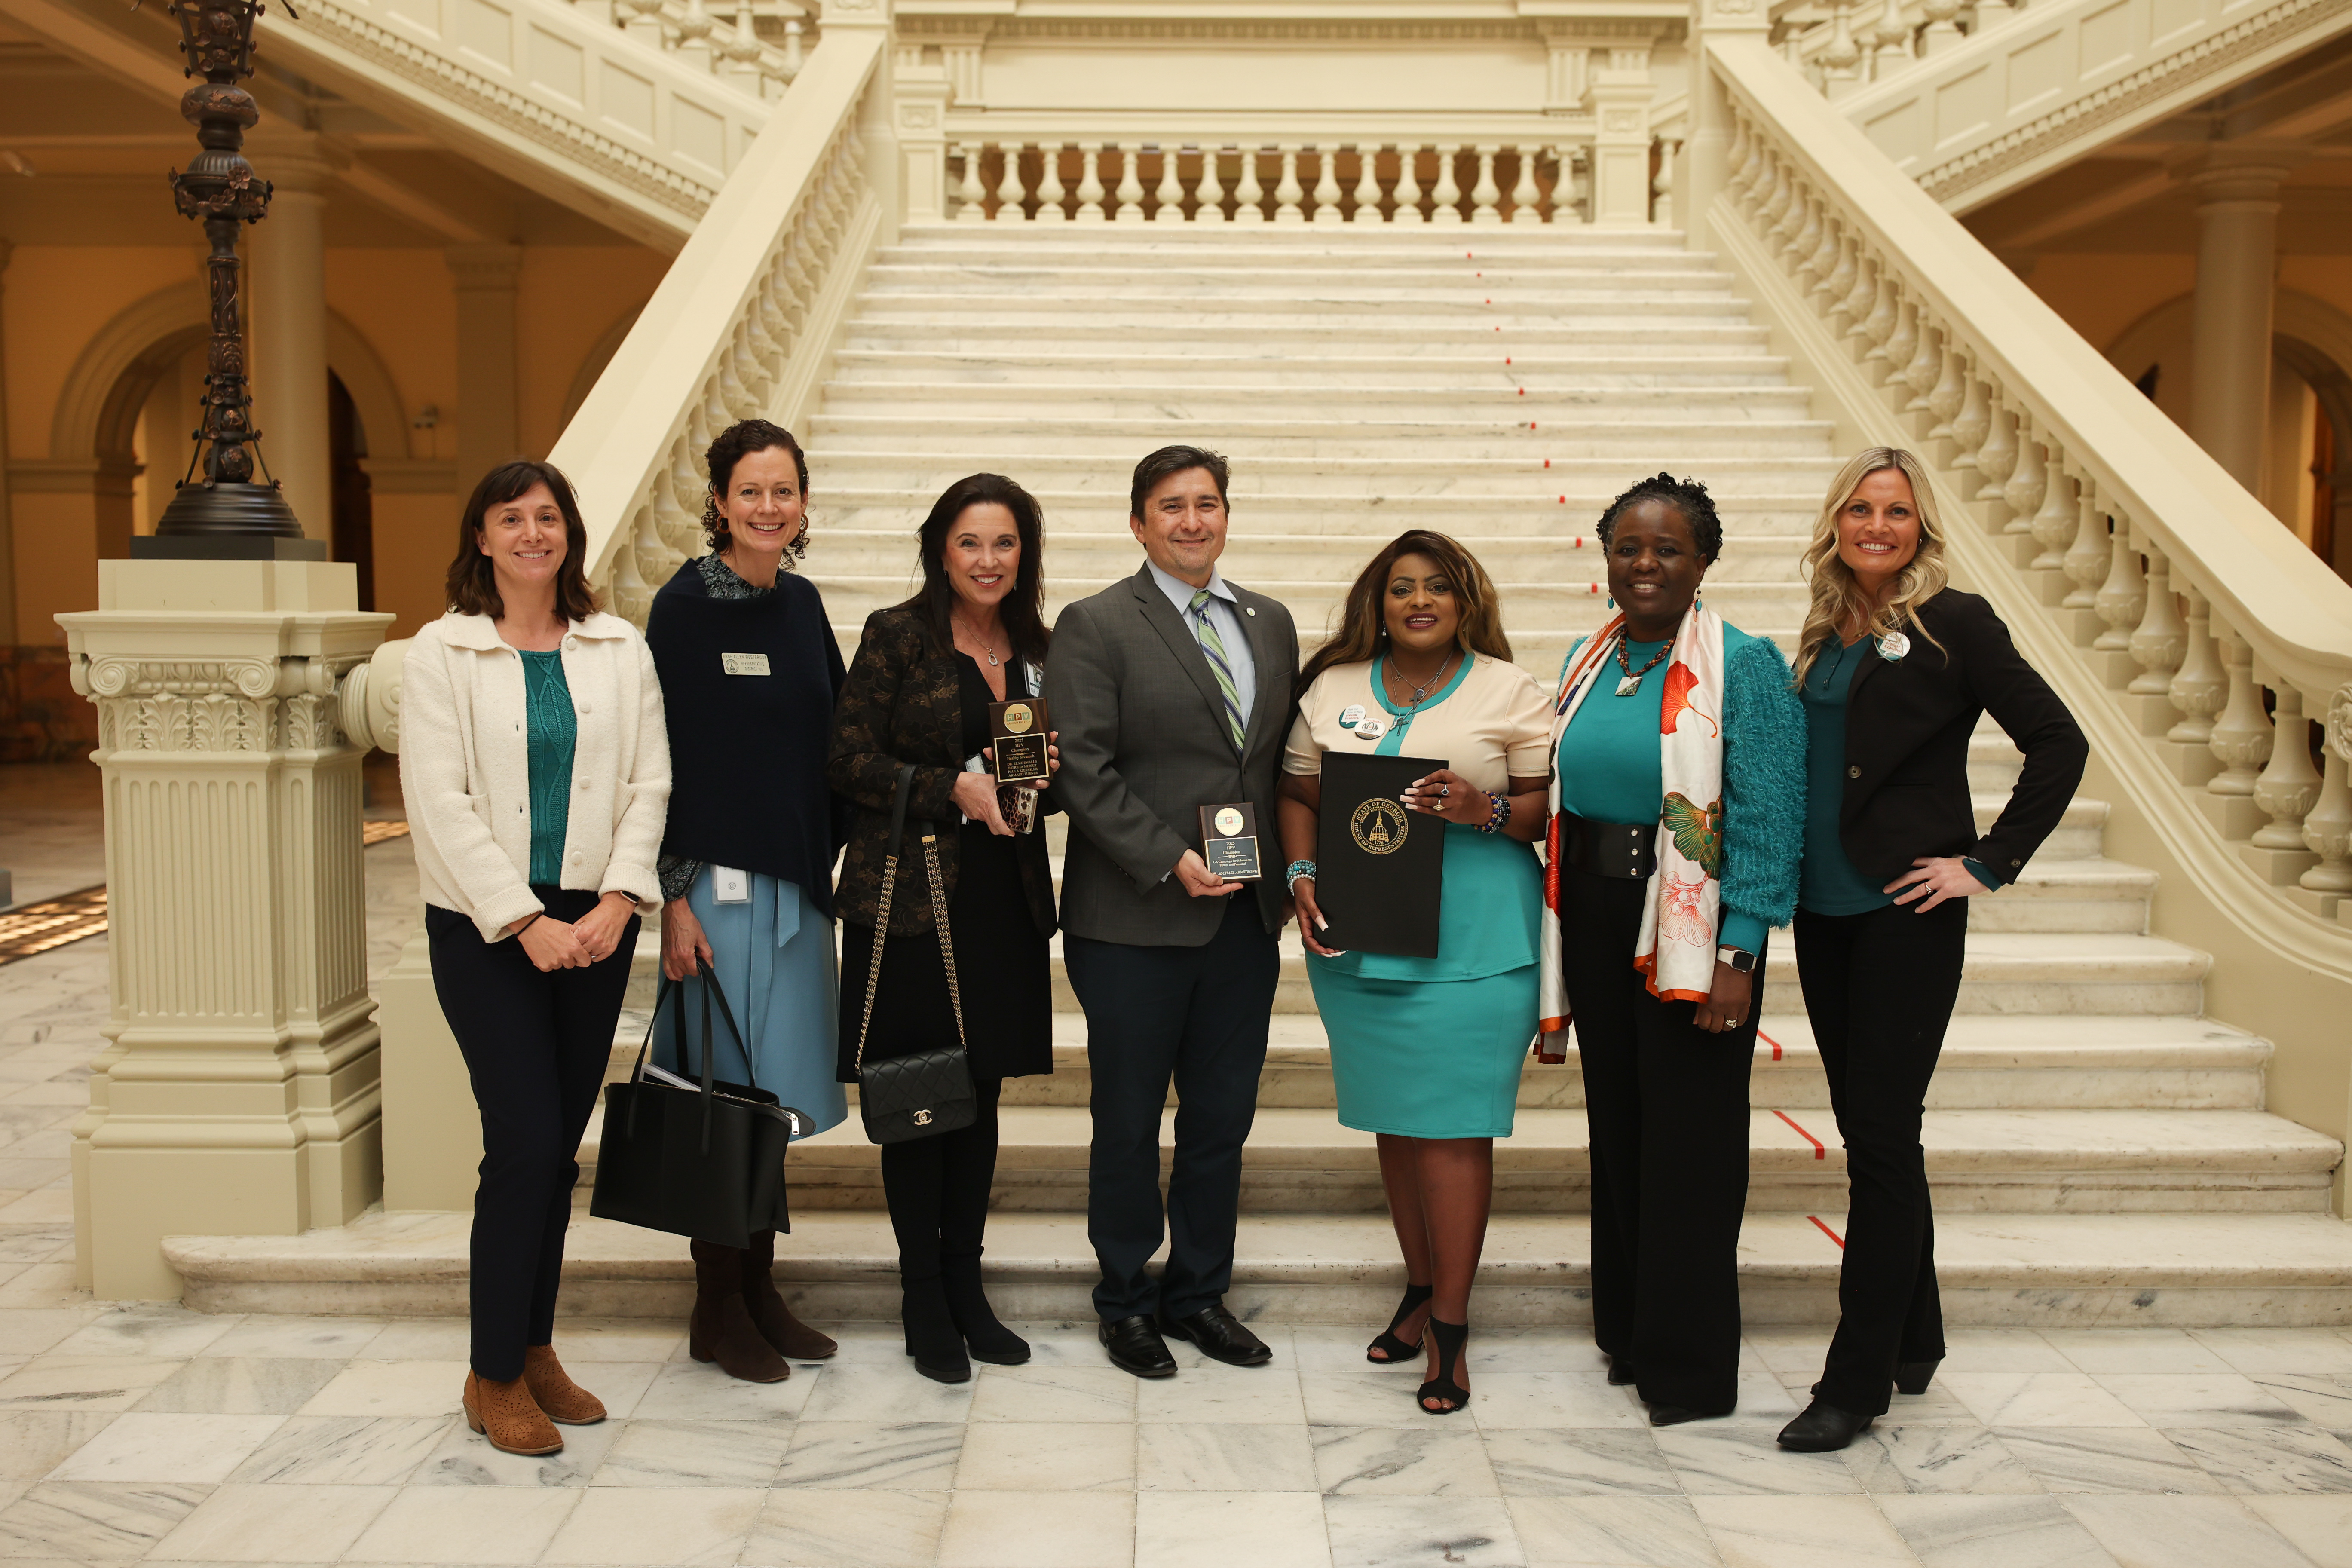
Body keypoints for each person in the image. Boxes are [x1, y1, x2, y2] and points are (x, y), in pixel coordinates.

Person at [1776, 449, 2086, 1452]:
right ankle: (1916, 1342)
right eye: (1861, 509)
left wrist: (1987, 863)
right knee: (1878, 1130)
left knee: (1877, 1134)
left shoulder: (1956, 623)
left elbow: (2059, 742)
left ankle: (1856, 1381)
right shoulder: (1826, 629)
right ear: (1838, 523)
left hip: (1905, 913)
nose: (1878, 525)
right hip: (1823, 912)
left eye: (1897, 511)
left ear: (1921, 526)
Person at [401, 459, 670, 1457]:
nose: (531, 533)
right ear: (480, 538)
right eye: (510, 518)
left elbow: (652, 781)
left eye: (547, 516)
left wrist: (614, 899)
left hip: (596, 921)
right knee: (520, 1144)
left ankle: (536, 1344)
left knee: (557, 1150)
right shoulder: (442, 654)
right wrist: (524, 922)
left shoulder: (617, 647)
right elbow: (440, 804)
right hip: (486, 929)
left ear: (571, 535)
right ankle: (491, 1372)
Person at [1538, 473, 1804, 1427]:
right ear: (1606, 558)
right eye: (1628, 547)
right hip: (1600, 914)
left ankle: (1688, 1371)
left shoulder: (1746, 663)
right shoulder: (1587, 656)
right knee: (1621, 1127)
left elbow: (1771, 816)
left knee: (1691, 1143)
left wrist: (1740, 952)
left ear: (1703, 561)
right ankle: (1632, 1331)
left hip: (1692, 926)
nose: (1644, 564)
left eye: (1667, 549)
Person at [1279, 530, 1553, 1414]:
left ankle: (1453, 1329)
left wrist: (1486, 807)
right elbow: (1296, 793)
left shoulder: (1512, 690)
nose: (1419, 601)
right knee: (1397, 1126)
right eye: (1402, 589)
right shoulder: (1332, 687)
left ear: (1466, 601)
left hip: (1477, 948)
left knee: (1453, 1130)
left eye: (1438, 587)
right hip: (1361, 944)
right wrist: (1300, 874)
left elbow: (1546, 815)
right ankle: (1419, 1289)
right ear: (1379, 602)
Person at [1046, 445, 1298, 1380]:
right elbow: (1084, 770)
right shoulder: (1097, 623)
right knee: (1127, 1121)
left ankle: (1198, 1294)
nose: (1192, 521)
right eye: (1171, 507)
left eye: (1208, 504)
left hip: (1242, 920)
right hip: (1134, 923)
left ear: (1227, 515)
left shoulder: (1269, 624)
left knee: (1221, 1122)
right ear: (1138, 522)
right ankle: (1124, 1300)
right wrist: (1170, 860)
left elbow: (1266, 769)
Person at [830, 473, 1062, 1384]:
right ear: (940, 549)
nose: (988, 561)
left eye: (1004, 544)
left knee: (982, 1097)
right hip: (913, 903)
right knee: (919, 1098)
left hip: (1004, 899)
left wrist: (1048, 776)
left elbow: (1060, 767)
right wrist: (949, 789)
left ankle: (968, 1288)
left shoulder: (1042, 648)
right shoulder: (899, 636)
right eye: (971, 543)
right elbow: (846, 760)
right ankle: (922, 1293)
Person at [646, 418, 848, 1384]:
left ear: (803, 504)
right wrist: (672, 901)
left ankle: (760, 1289)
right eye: (751, 492)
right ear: (720, 501)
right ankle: (716, 1304)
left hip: (799, 889)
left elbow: (837, 743)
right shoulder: (684, 611)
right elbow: (657, 763)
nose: (769, 508)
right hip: (714, 896)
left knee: (773, 1103)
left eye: (785, 492)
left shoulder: (803, 608)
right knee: (723, 1102)